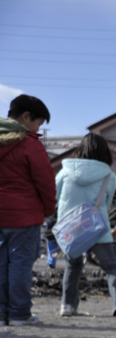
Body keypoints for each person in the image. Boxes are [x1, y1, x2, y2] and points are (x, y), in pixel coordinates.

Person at [55, 134, 116, 321]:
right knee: (111, 267)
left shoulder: (64, 171)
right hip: (96, 227)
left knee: (73, 266)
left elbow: (56, 195)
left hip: (70, 229)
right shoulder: (108, 175)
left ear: (80, 150)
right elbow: (106, 202)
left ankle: (67, 305)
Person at [0, 95, 56, 326]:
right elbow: (45, 181)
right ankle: (20, 314)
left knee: (1, 266)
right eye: (38, 123)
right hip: (24, 218)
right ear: (25, 117)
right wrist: (49, 209)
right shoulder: (29, 144)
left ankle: (2, 314)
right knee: (21, 267)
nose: (38, 129)